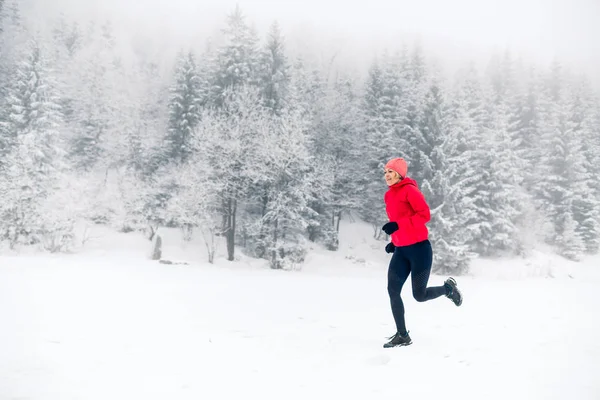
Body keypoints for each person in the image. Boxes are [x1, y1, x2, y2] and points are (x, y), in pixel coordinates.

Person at [381, 157, 462, 348]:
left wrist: (398, 226)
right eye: (385, 172)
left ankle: (448, 289)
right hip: (401, 251)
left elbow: (424, 215)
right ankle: (402, 335)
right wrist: (395, 242)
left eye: (390, 172)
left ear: (400, 174)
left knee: (419, 295)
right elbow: (398, 220)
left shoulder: (410, 190)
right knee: (392, 290)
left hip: (419, 250)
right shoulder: (388, 195)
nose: (387, 176)